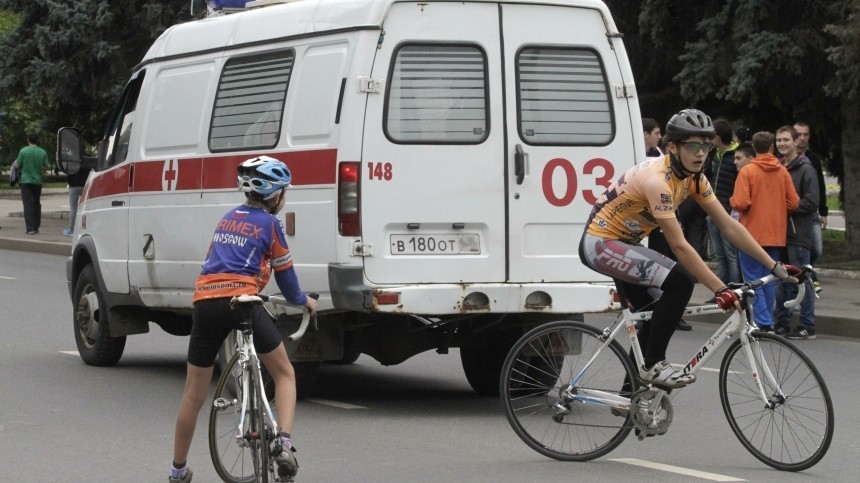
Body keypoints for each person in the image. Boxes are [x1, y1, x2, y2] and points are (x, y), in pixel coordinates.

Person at [579, 108, 799, 388]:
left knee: (655, 312)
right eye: (693, 146)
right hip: (600, 243)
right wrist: (721, 289)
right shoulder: (658, 180)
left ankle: (630, 395)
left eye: (706, 146)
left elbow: (729, 226)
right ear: (672, 147)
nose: (701, 153)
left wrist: (774, 265)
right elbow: (679, 245)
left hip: (626, 243)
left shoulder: (694, 178)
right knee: (680, 282)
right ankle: (654, 365)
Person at [168, 156, 318, 483]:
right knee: (284, 373)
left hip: (206, 302)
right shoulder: (271, 224)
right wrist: (304, 302)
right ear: (275, 195)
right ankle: (284, 441)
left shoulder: (226, 219)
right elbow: (289, 284)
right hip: (243, 302)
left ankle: (177, 470)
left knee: (193, 393)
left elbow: (212, 261)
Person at [730, 135, 799, 330]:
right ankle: (768, 318)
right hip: (776, 233)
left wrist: (732, 201)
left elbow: (741, 202)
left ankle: (762, 321)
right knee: (770, 278)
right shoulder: (782, 171)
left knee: (753, 279)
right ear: (771, 147)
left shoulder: (748, 171)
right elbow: (793, 202)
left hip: (750, 234)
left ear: (754, 148)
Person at [774, 126, 819, 340]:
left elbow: (812, 201)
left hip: (798, 234)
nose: (782, 144)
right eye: (779, 140)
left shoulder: (805, 168)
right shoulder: (778, 166)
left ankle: (807, 325)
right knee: (782, 279)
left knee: (803, 280)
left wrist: (788, 208)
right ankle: (782, 322)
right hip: (779, 234)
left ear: (795, 142)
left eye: (786, 140)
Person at [705, 118, 741, 286]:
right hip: (714, 209)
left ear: (717, 138)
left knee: (730, 253)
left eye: (711, 137)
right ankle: (722, 287)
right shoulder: (715, 156)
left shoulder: (735, 156)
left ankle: (734, 288)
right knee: (720, 253)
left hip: (728, 210)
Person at [793, 122, 827, 294]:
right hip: (794, 213)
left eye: (806, 135)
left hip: (812, 211)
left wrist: (824, 211)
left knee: (816, 249)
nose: (802, 138)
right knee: (799, 250)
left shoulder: (813, 158)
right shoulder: (785, 159)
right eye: (799, 135)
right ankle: (809, 279)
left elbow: (820, 186)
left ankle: (808, 273)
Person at [11, 132, 50, 235]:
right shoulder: (42, 152)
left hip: (26, 181)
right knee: (36, 203)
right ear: (37, 140)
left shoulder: (23, 151)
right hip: (37, 181)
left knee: (27, 204)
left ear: (28, 139)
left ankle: (30, 228)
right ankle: (36, 226)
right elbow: (45, 167)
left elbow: (17, 164)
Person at [64, 164, 91, 236]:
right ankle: (87, 228)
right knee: (86, 207)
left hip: (73, 185)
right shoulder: (87, 158)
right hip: (85, 185)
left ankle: (71, 229)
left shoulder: (72, 160)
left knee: (73, 208)